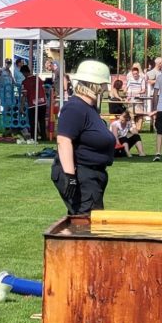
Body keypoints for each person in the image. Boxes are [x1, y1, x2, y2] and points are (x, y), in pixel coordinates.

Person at [51, 60, 116, 215]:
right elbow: (64, 140)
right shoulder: (75, 107)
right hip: (81, 174)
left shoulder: (89, 108)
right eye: (104, 85)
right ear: (94, 84)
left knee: (88, 221)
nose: (105, 89)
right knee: (86, 222)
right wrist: (70, 176)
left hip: (91, 175)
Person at [21, 65, 47, 141]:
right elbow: (44, 89)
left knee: (33, 122)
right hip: (42, 103)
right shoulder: (38, 78)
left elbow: (24, 95)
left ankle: (34, 137)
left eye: (23, 74)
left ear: (24, 72)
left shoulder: (24, 82)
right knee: (42, 121)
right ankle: (44, 137)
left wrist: (21, 106)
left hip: (32, 105)